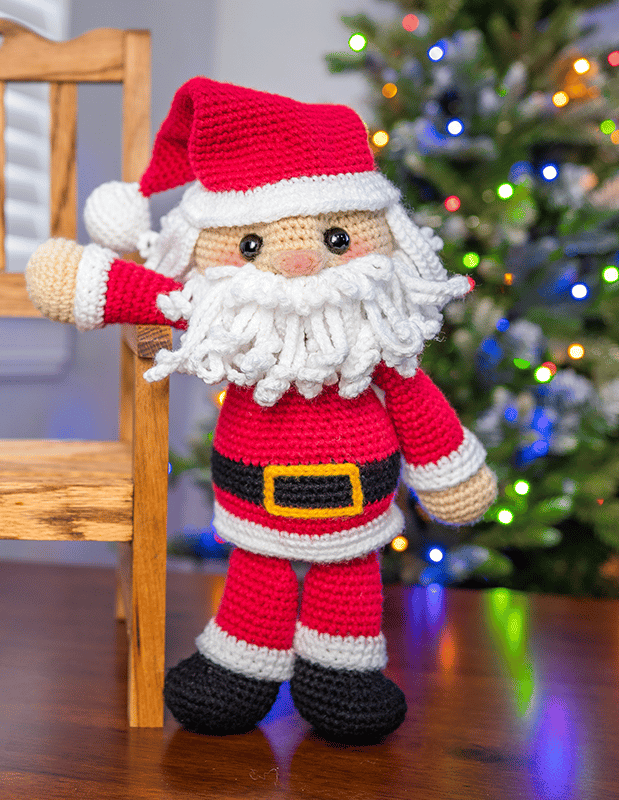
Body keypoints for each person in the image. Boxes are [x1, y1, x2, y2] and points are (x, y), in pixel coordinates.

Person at [26, 77, 496, 743]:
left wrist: (450, 475)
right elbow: (153, 296)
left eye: (337, 239)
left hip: (355, 506)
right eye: (252, 246)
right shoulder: (224, 316)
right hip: (255, 503)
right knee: (257, 578)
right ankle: (239, 663)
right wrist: (84, 280)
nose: (300, 260)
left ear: (384, 235)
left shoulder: (376, 346)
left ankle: (343, 670)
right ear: (215, 250)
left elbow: (417, 403)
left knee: (347, 583)